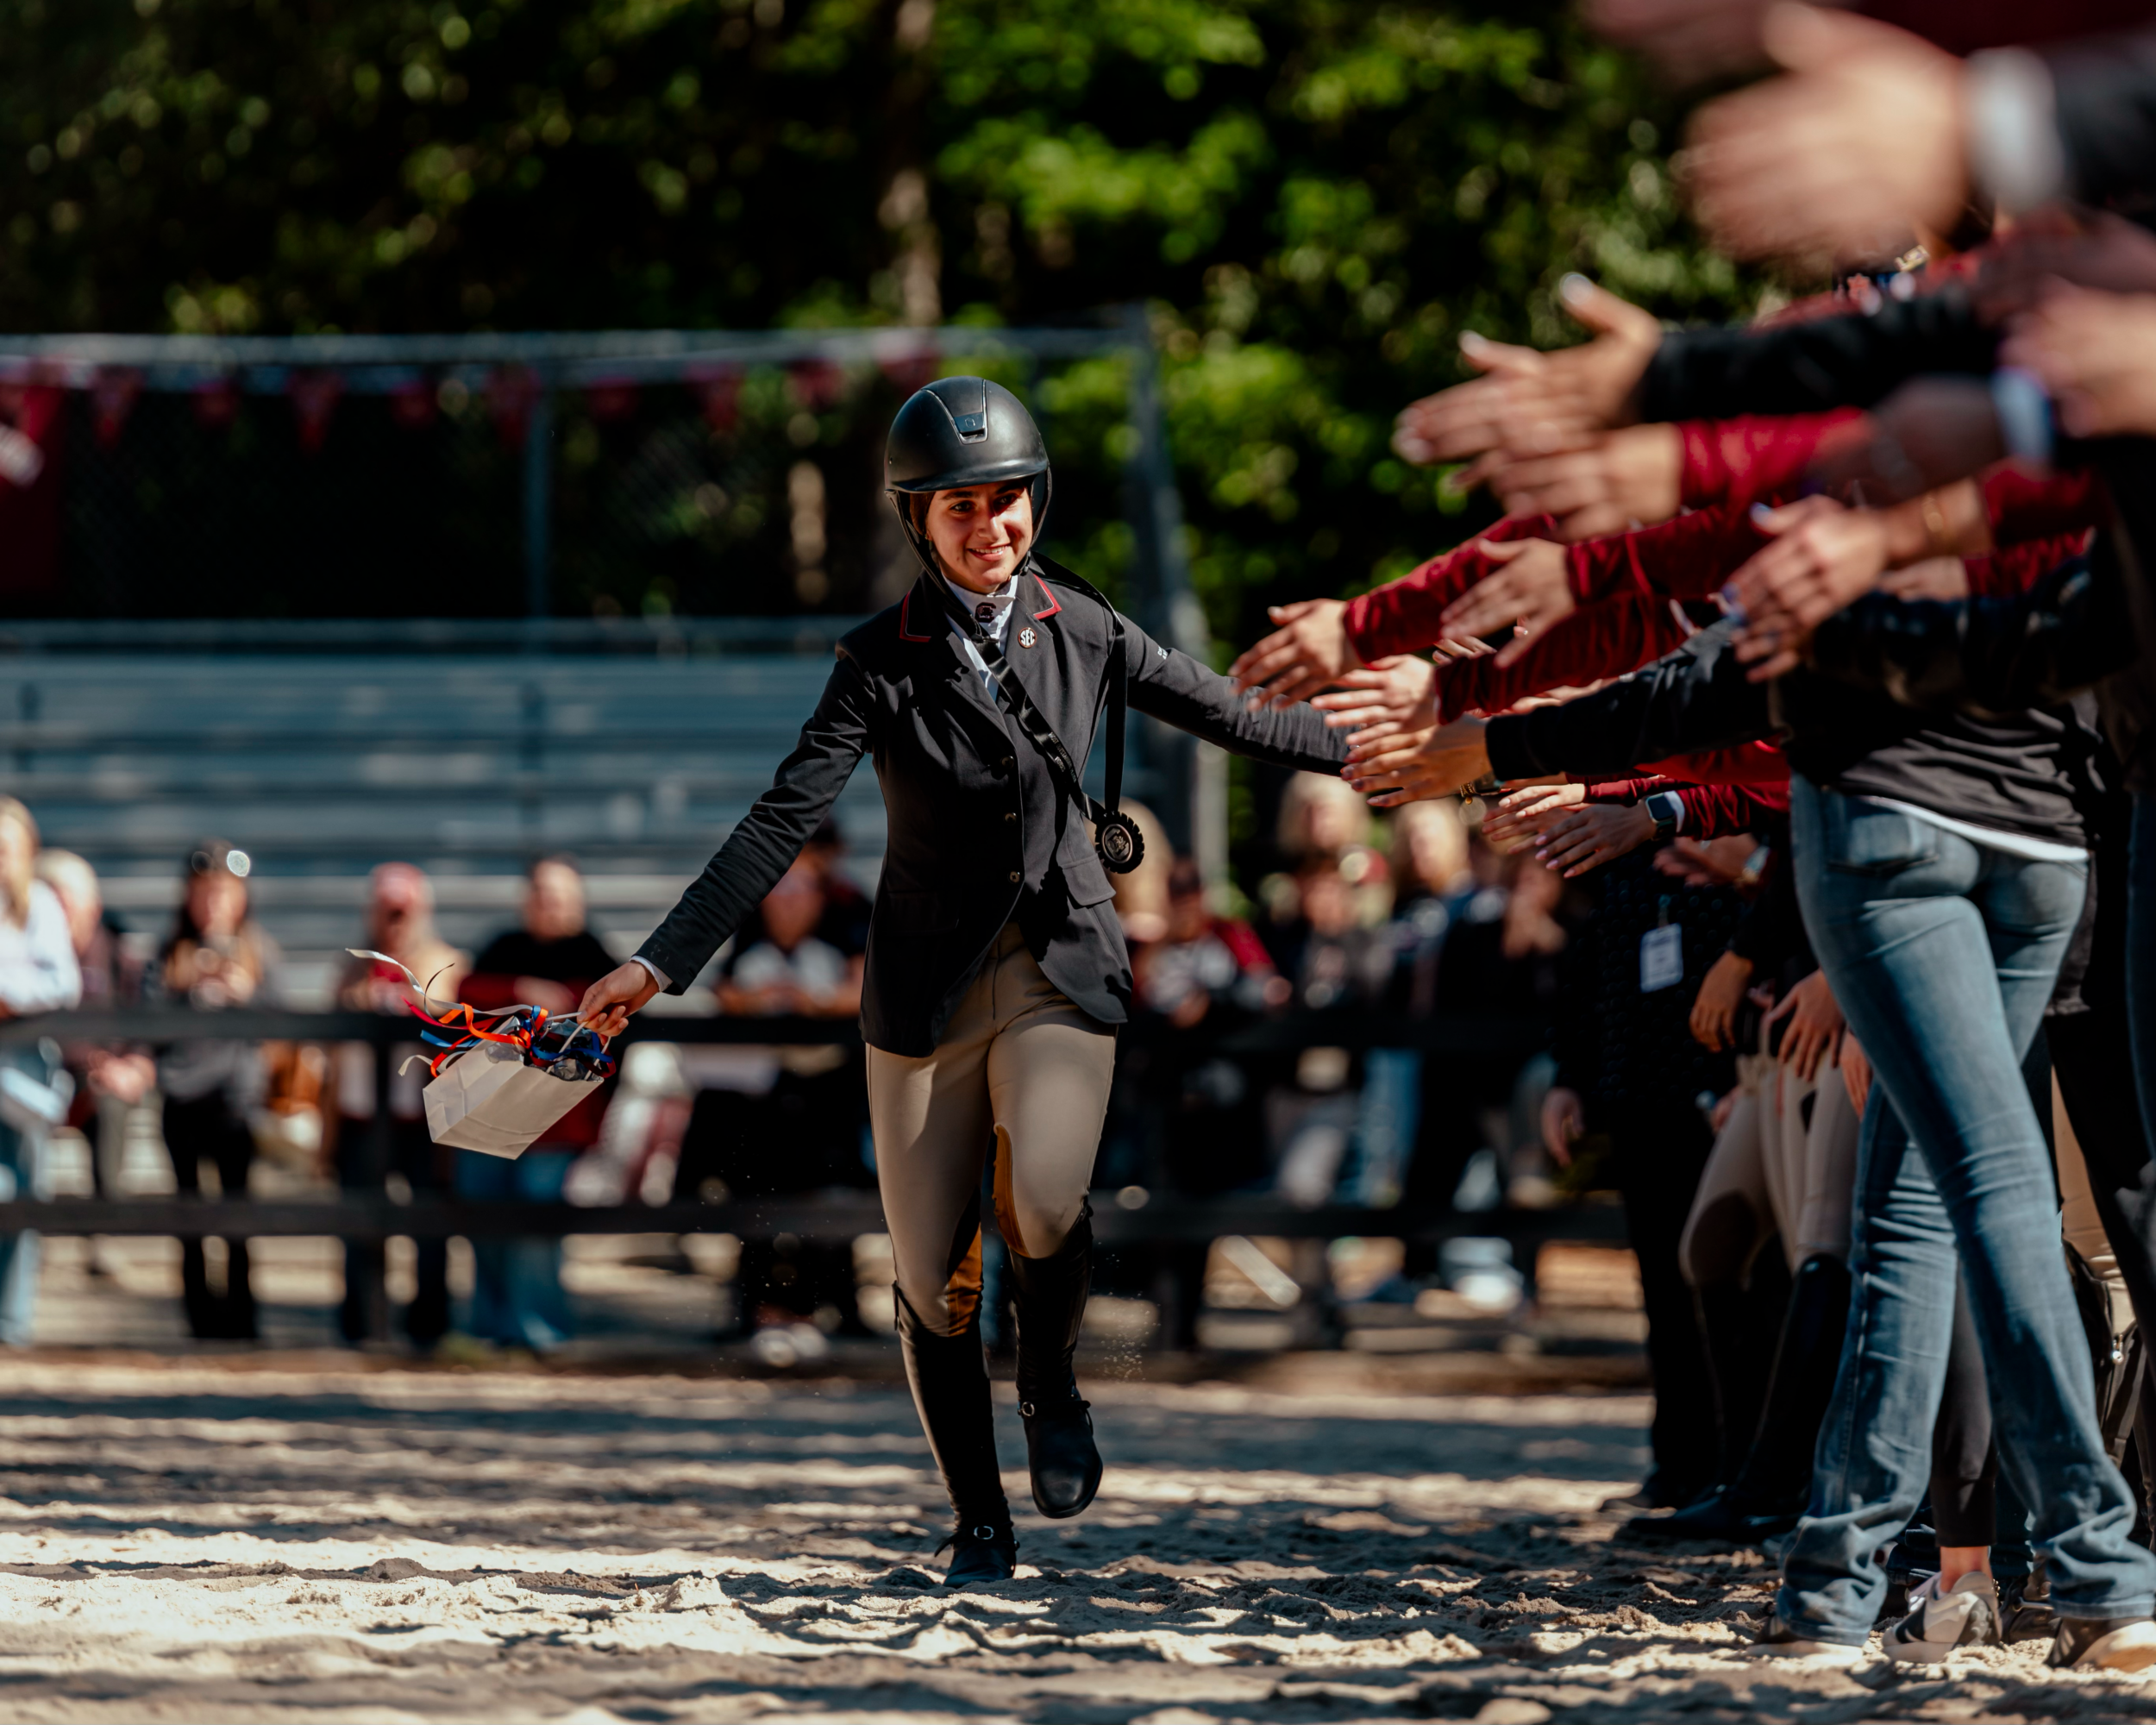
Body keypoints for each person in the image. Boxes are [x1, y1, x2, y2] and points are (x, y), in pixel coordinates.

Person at [578, 376, 1349, 1587]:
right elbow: (782, 818)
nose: (990, 527)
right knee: (933, 1274)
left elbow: (1238, 715)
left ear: (1034, 503)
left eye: (1006, 502)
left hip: (1059, 966)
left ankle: (1050, 1383)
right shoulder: (877, 661)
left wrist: (1397, 753)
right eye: (960, 509)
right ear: (918, 521)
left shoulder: (1086, 627)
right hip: (927, 986)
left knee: (1042, 1199)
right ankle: (975, 1516)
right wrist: (657, 960)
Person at [453, 856, 617, 1353]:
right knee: (482, 1218)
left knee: (535, 1228)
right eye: (542, 896)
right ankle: (490, 1326)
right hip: (491, 1112)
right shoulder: (504, 947)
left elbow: (612, 1020)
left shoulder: (596, 955)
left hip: (559, 1123)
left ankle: (539, 1330)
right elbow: (467, 995)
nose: (550, 906)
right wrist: (523, 992)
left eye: (560, 897)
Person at [334, 862, 465, 1347]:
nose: (394, 922)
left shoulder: (443, 961)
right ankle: (364, 1325)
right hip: (361, 1115)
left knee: (429, 1226)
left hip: (424, 1118)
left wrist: (413, 1001)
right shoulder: (351, 967)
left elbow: (453, 1016)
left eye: (402, 912)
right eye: (386, 912)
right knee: (360, 1227)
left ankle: (429, 1327)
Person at [150, 840, 273, 1340]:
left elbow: (286, 1021)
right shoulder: (168, 952)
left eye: (223, 894)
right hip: (182, 1101)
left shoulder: (260, 952)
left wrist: (248, 996)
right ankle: (198, 1323)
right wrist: (186, 994)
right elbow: (145, 1020)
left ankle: (243, 1322)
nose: (213, 904)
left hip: (236, 1103)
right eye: (204, 894)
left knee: (239, 1218)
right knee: (188, 1218)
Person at [0, 800, 78, 1344]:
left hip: (25, 1074)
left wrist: (9, 996)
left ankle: (13, 1322)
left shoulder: (43, 907)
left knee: (26, 1195)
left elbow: (63, 986)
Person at [35, 850, 151, 1201]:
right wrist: (96, 1062)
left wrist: (137, 1064)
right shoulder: (33, 958)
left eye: (66, 906)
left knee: (110, 1105)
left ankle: (105, 1223)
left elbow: (143, 1017)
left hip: (106, 1082)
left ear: (93, 908)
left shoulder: (119, 954)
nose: (59, 917)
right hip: (51, 1070)